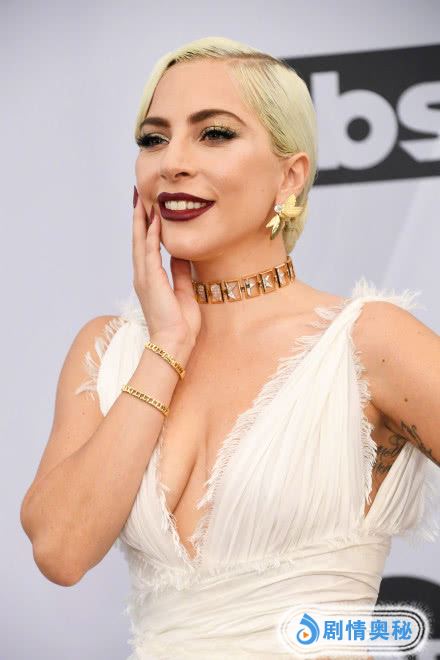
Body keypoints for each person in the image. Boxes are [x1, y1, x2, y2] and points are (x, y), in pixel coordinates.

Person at [20, 36, 440, 659]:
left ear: (290, 175)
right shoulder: (107, 350)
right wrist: (166, 346)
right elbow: (60, 551)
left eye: (213, 133)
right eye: (153, 139)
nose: (172, 162)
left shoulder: (367, 342)